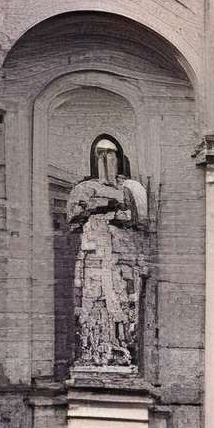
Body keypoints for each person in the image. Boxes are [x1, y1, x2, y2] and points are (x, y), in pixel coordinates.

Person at [64, 135, 153, 376]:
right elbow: (72, 219)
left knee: (122, 302)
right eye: (101, 154)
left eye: (111, 154)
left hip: (121, 255)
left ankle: (122, 350)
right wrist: (96, 206)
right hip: (93, 253)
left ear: (120, 157)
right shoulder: (83, 188)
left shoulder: (130, 188)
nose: (106, 159)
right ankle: (91, 353)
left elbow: (139, 221)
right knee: (93, 301)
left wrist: (117, 212)